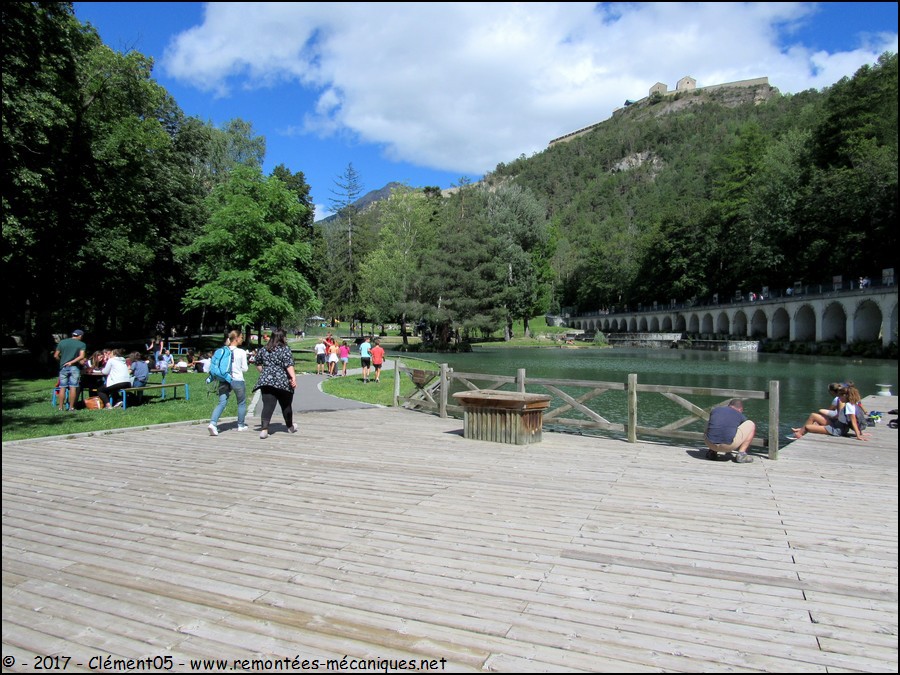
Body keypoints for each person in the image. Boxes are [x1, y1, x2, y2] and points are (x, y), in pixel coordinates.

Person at [253, 329, 297, 439]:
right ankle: (290, 426)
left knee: (267, 405)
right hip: (282, 380)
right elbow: (289, 364)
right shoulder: (285, 349)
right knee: (286, 405)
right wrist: (293, 378)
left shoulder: (264, 349)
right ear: (282, 337)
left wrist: (265, 372)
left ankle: (264, 430)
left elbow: (257, 362)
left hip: (266, 381)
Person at [208, 330, 250, 436]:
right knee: (241, 402)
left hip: (224, 379)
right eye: (241, 337)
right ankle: (240, 425)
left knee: (222, 403)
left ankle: (213, 423)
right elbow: (245, 369)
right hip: (237, 380)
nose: (242, 339)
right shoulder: (241, 352)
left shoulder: (223, 350)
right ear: (236, 338)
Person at [792, 385, 869, 441]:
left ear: (845, 396)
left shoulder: (849, 405)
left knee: (807, 427)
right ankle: (800, 432)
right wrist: (860, 432)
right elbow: (859, 419)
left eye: (840, 396)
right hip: (837, 424)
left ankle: (799, 434)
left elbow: (854, 421)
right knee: (813, 415)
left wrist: (858, 435)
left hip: (837, 430)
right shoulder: (854, 403)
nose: (839, 398)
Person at [704, 399, 756, 463]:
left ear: (729, 405)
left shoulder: (716, 410)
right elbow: (743, 425)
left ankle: (712, 452)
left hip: (709, 443)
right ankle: (741, 454)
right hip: (728, 446)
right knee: (751, 424)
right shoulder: (739, 414)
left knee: (710, 421)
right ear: (740, 409)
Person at [53, 329, 87, 411]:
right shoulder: (82, 344)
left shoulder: (62, 342)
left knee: (62, 387)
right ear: (80, 336)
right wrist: (71, 362)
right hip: (74, 367)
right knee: (73, 387)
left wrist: (61, 362)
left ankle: (60, 407)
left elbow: (55, 355)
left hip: (63, 367)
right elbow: (82, 356)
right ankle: (71, 407)